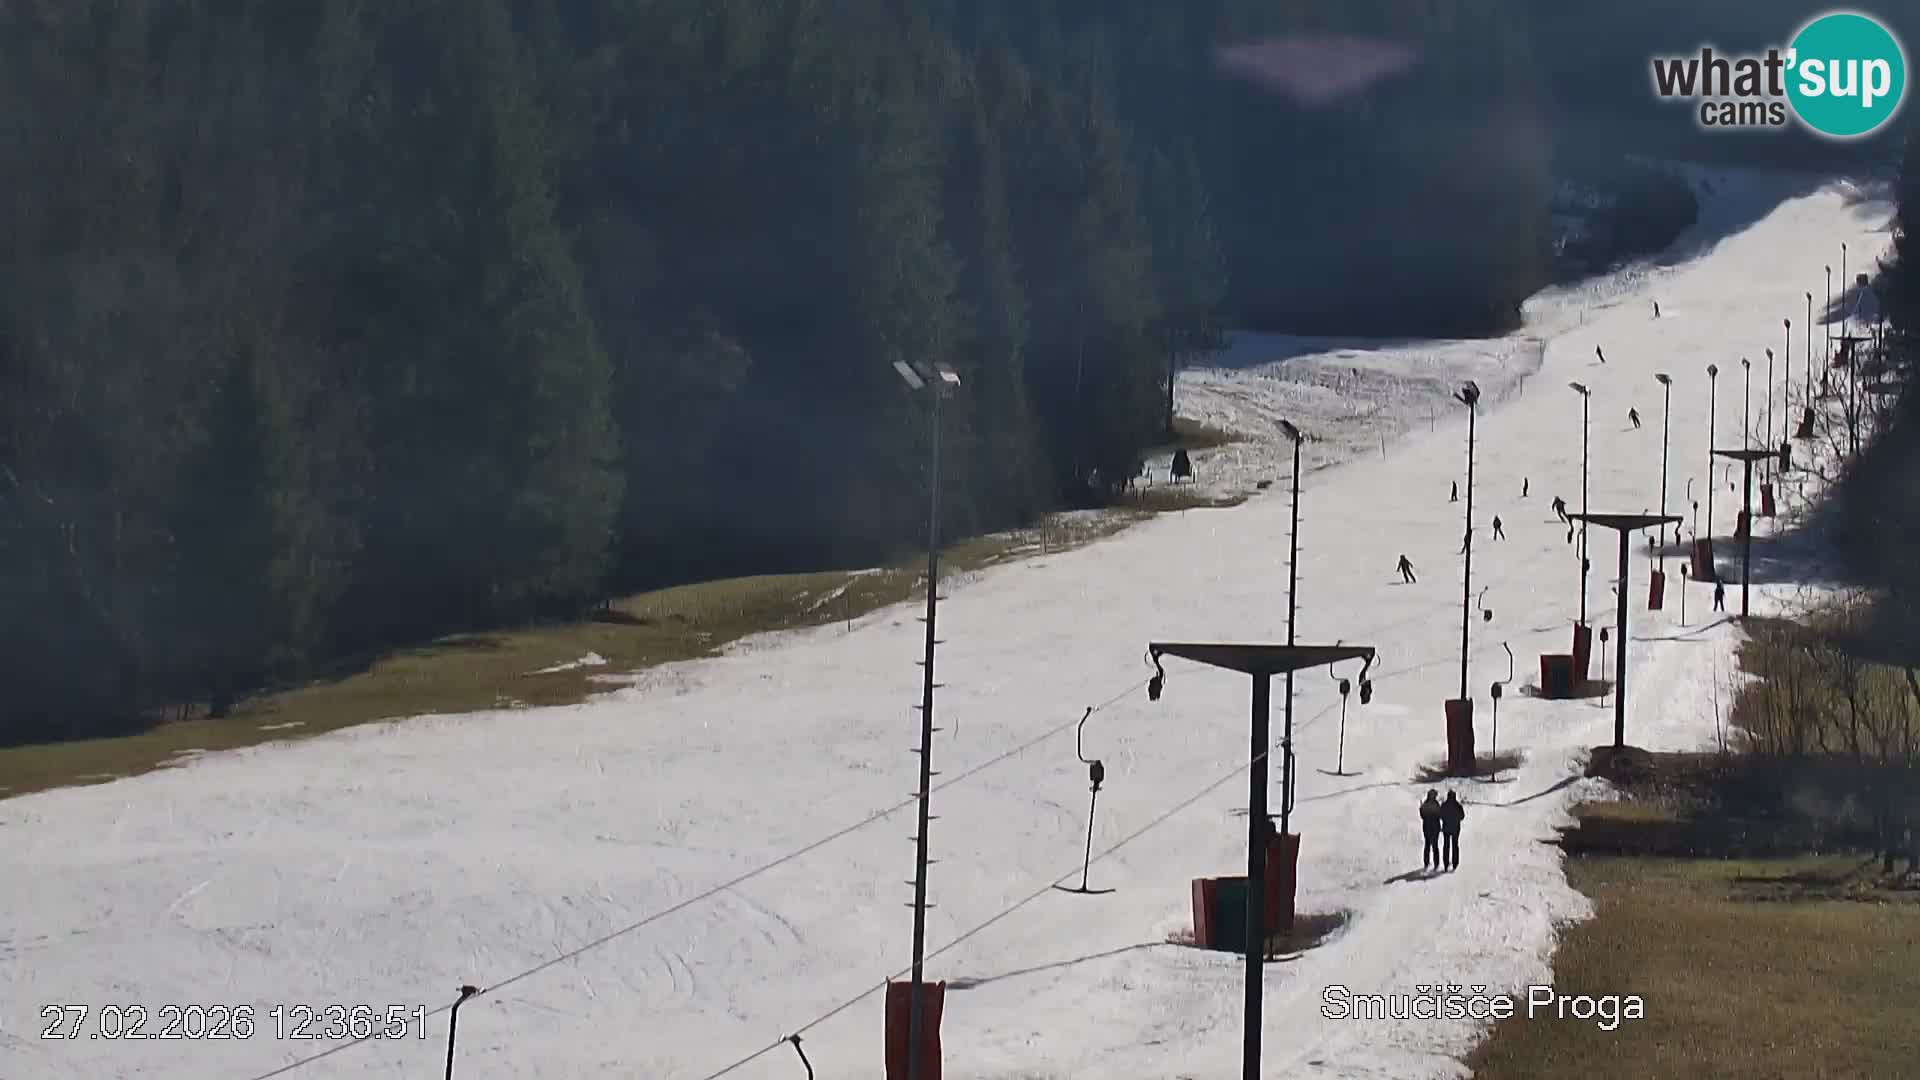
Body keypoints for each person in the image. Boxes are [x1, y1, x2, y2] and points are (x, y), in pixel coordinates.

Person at [1439, 790, 1465, 870]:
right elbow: (1462, 816)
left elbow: (1440, 815)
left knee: (1446, 846)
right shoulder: (1457, 806)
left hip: (1446, 828)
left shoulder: (1444, 805)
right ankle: (1455, 863)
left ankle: (1446, 864)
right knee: (1455, 845)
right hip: (1455, 828)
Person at [1420, 791, 1443, 870]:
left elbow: (1422, 815)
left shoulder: (1425, 804)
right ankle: (1436, 863)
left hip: (1426, 827)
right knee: (1435, 846)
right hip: (1435, 827)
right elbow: (1440, 815)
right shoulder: (1436, 804)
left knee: (1427, 845)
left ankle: (1426, 863)